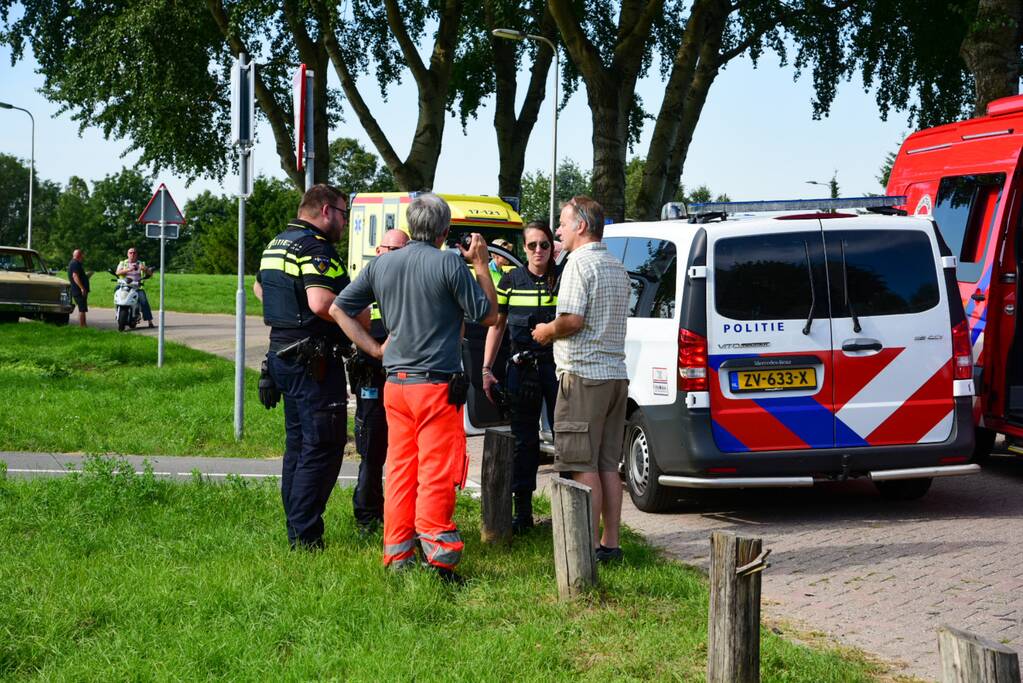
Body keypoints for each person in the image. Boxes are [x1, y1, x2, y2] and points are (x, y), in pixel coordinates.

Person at [330, 192, 498, 582]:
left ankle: (398, 555)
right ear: (444, 231)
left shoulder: (382, 265)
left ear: (410, 225)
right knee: (437, 472)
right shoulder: (449, 265)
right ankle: (439, 559)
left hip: (396, 385)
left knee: (401, 470)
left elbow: (338, 307)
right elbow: (488, 315)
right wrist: (482, 265)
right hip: (436, 387)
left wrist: (373, 347)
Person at [253, 184, 351, 551]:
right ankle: (306, 536)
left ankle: (296, 529)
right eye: (342, 213)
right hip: (314, 360)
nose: (344, 221)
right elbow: (322, 301)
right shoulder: (315, 248)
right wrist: (357, 321)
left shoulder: (275, 244)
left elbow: (260, 288)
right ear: (326, 211)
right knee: (323, 446)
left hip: (283, 355)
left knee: (297, 444)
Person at [532, 196, 630, 564]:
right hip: (615, 377)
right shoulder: (616, 265)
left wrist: (546, 331)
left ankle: (584, 550)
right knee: (608, 465)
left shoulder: (578, 264)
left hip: (583, 376)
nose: (557, 230)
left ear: (581, 226)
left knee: (581, 464)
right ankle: (611, 544)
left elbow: (572, 320)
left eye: (562, 222)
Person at [481, 220, 559, 532]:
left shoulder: (562, 279)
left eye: (544, 244)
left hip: (555, 368)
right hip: (521, 369)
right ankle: (522, 512)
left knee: (564, 440)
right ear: (524, 249)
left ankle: (566, 510)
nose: (538, 251)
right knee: (524, 442)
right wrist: (487, 369)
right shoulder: (511, 280)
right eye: (532, 245)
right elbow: (496, 326)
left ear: (552, 247)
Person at [348, 228, 409, 536]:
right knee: (372, 450)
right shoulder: (369, 280)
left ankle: (398, 516)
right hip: (373, 376)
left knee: (404, 454)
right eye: (393, 249)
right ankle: (366, 515)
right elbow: (339, 311)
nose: (397, 255)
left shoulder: (412, 283)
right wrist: (371, 350)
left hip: (406, 381)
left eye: (403, 249)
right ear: (379, 249)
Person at [115, 247, 154, 328]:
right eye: (130, 253)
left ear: (137, 254)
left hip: (137, 287)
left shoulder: (140, 263)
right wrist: (129, 269)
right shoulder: (123, 263)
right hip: (124, 285)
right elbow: (118, 272)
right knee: (116, 293)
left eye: (134, 253)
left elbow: (150, 274)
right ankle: (117, 313)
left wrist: (145, 269)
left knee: (143, 301)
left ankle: (149, 321)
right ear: (127, 254)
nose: (132, 254)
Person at [67, 249, 89, 328]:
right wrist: (82, 288)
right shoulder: (75, 263)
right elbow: (75, 276)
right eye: (82, 255)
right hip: (78, 290)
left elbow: (78, 276)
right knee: (82, 309)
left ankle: (83, 325)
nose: (83, 256)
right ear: (80, 255)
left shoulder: (75, 263)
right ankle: (83, 326)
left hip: (77, 289)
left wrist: (86, 276)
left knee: (82, 308)